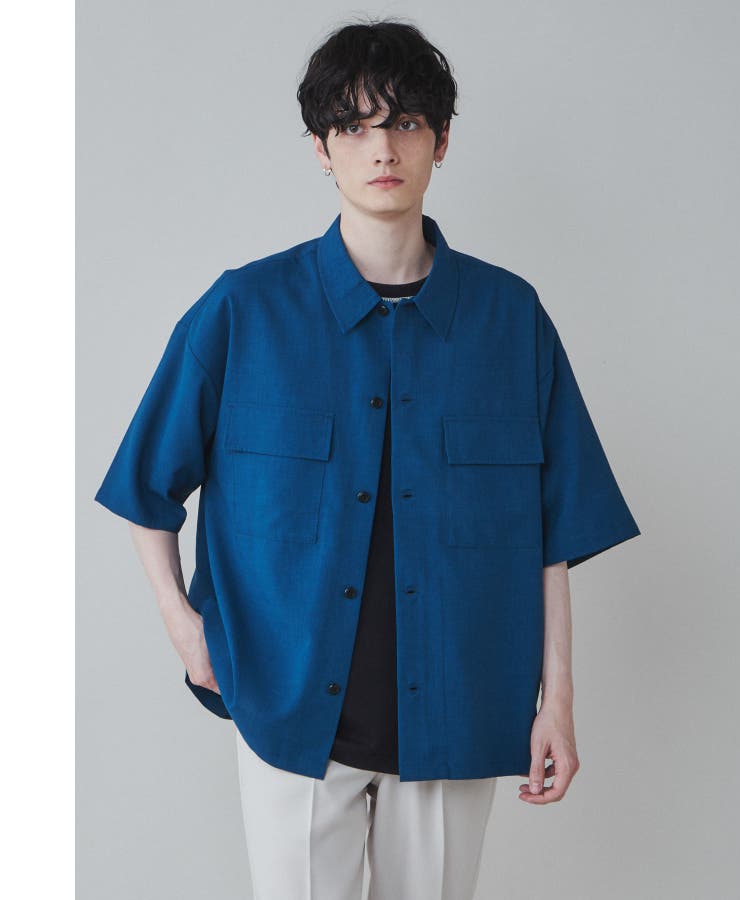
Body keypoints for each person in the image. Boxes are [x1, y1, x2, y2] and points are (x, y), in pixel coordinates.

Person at [94, 16, 641, 900]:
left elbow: (553, 534)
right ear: (321, 148)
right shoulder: (244, 311)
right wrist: (185, 630)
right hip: (289, 711)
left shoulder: (511, 321)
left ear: (441, 140)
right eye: (353, 127)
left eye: (405, 123)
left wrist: (559, 706)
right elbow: (143, 486)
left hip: (460, 707)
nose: (381, 148)